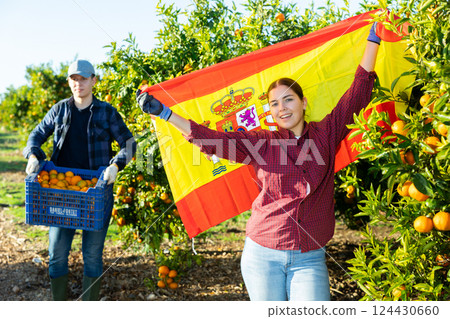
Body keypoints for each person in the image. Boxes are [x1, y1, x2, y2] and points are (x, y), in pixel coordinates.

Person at [136, 24, 381, 301]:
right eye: (275, 104)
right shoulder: (262, 142)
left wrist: (373, 38)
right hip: (262, 255)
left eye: (288, 99)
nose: (282, 108)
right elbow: (214, 140)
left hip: (309, 258)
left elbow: (357, 94)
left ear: (303, 102)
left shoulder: (327, 133)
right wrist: (165, 113)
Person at [23, 59, 136, 301]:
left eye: (84, 78)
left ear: (94, 80)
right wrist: (33, 154)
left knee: (93, 255)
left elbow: (129, 142)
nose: (79, 83)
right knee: (56, 254)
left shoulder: (106, 112)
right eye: (74, 78)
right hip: (62, 191)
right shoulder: (60, 110)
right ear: (69, 82)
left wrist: (116, 165)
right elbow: (37, 133)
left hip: (95, 193)